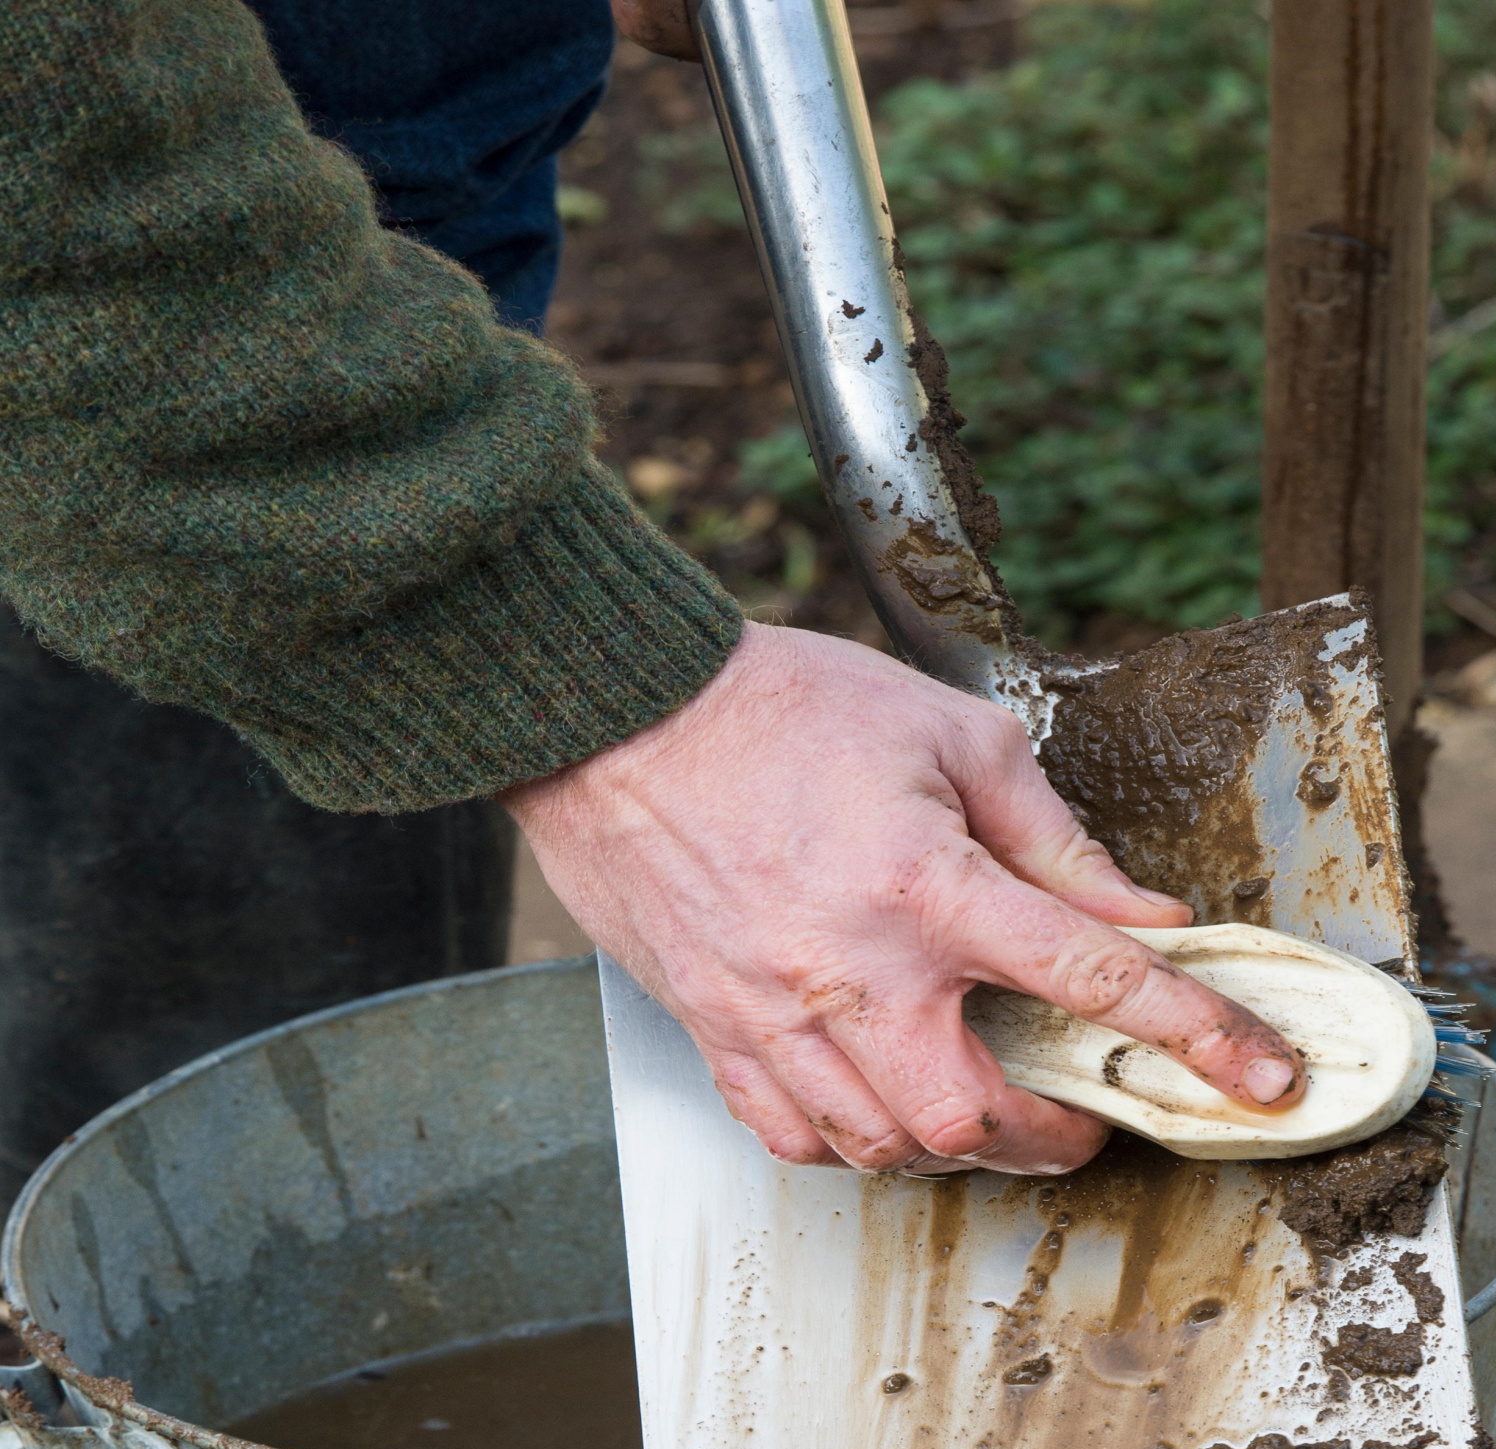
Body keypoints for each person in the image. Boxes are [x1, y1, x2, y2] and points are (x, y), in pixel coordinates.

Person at [0, 0, 1304, 1212]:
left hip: (356, 161)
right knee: (161, 1153)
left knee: (317, 1120)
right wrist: (585, 699)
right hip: (104, 268)